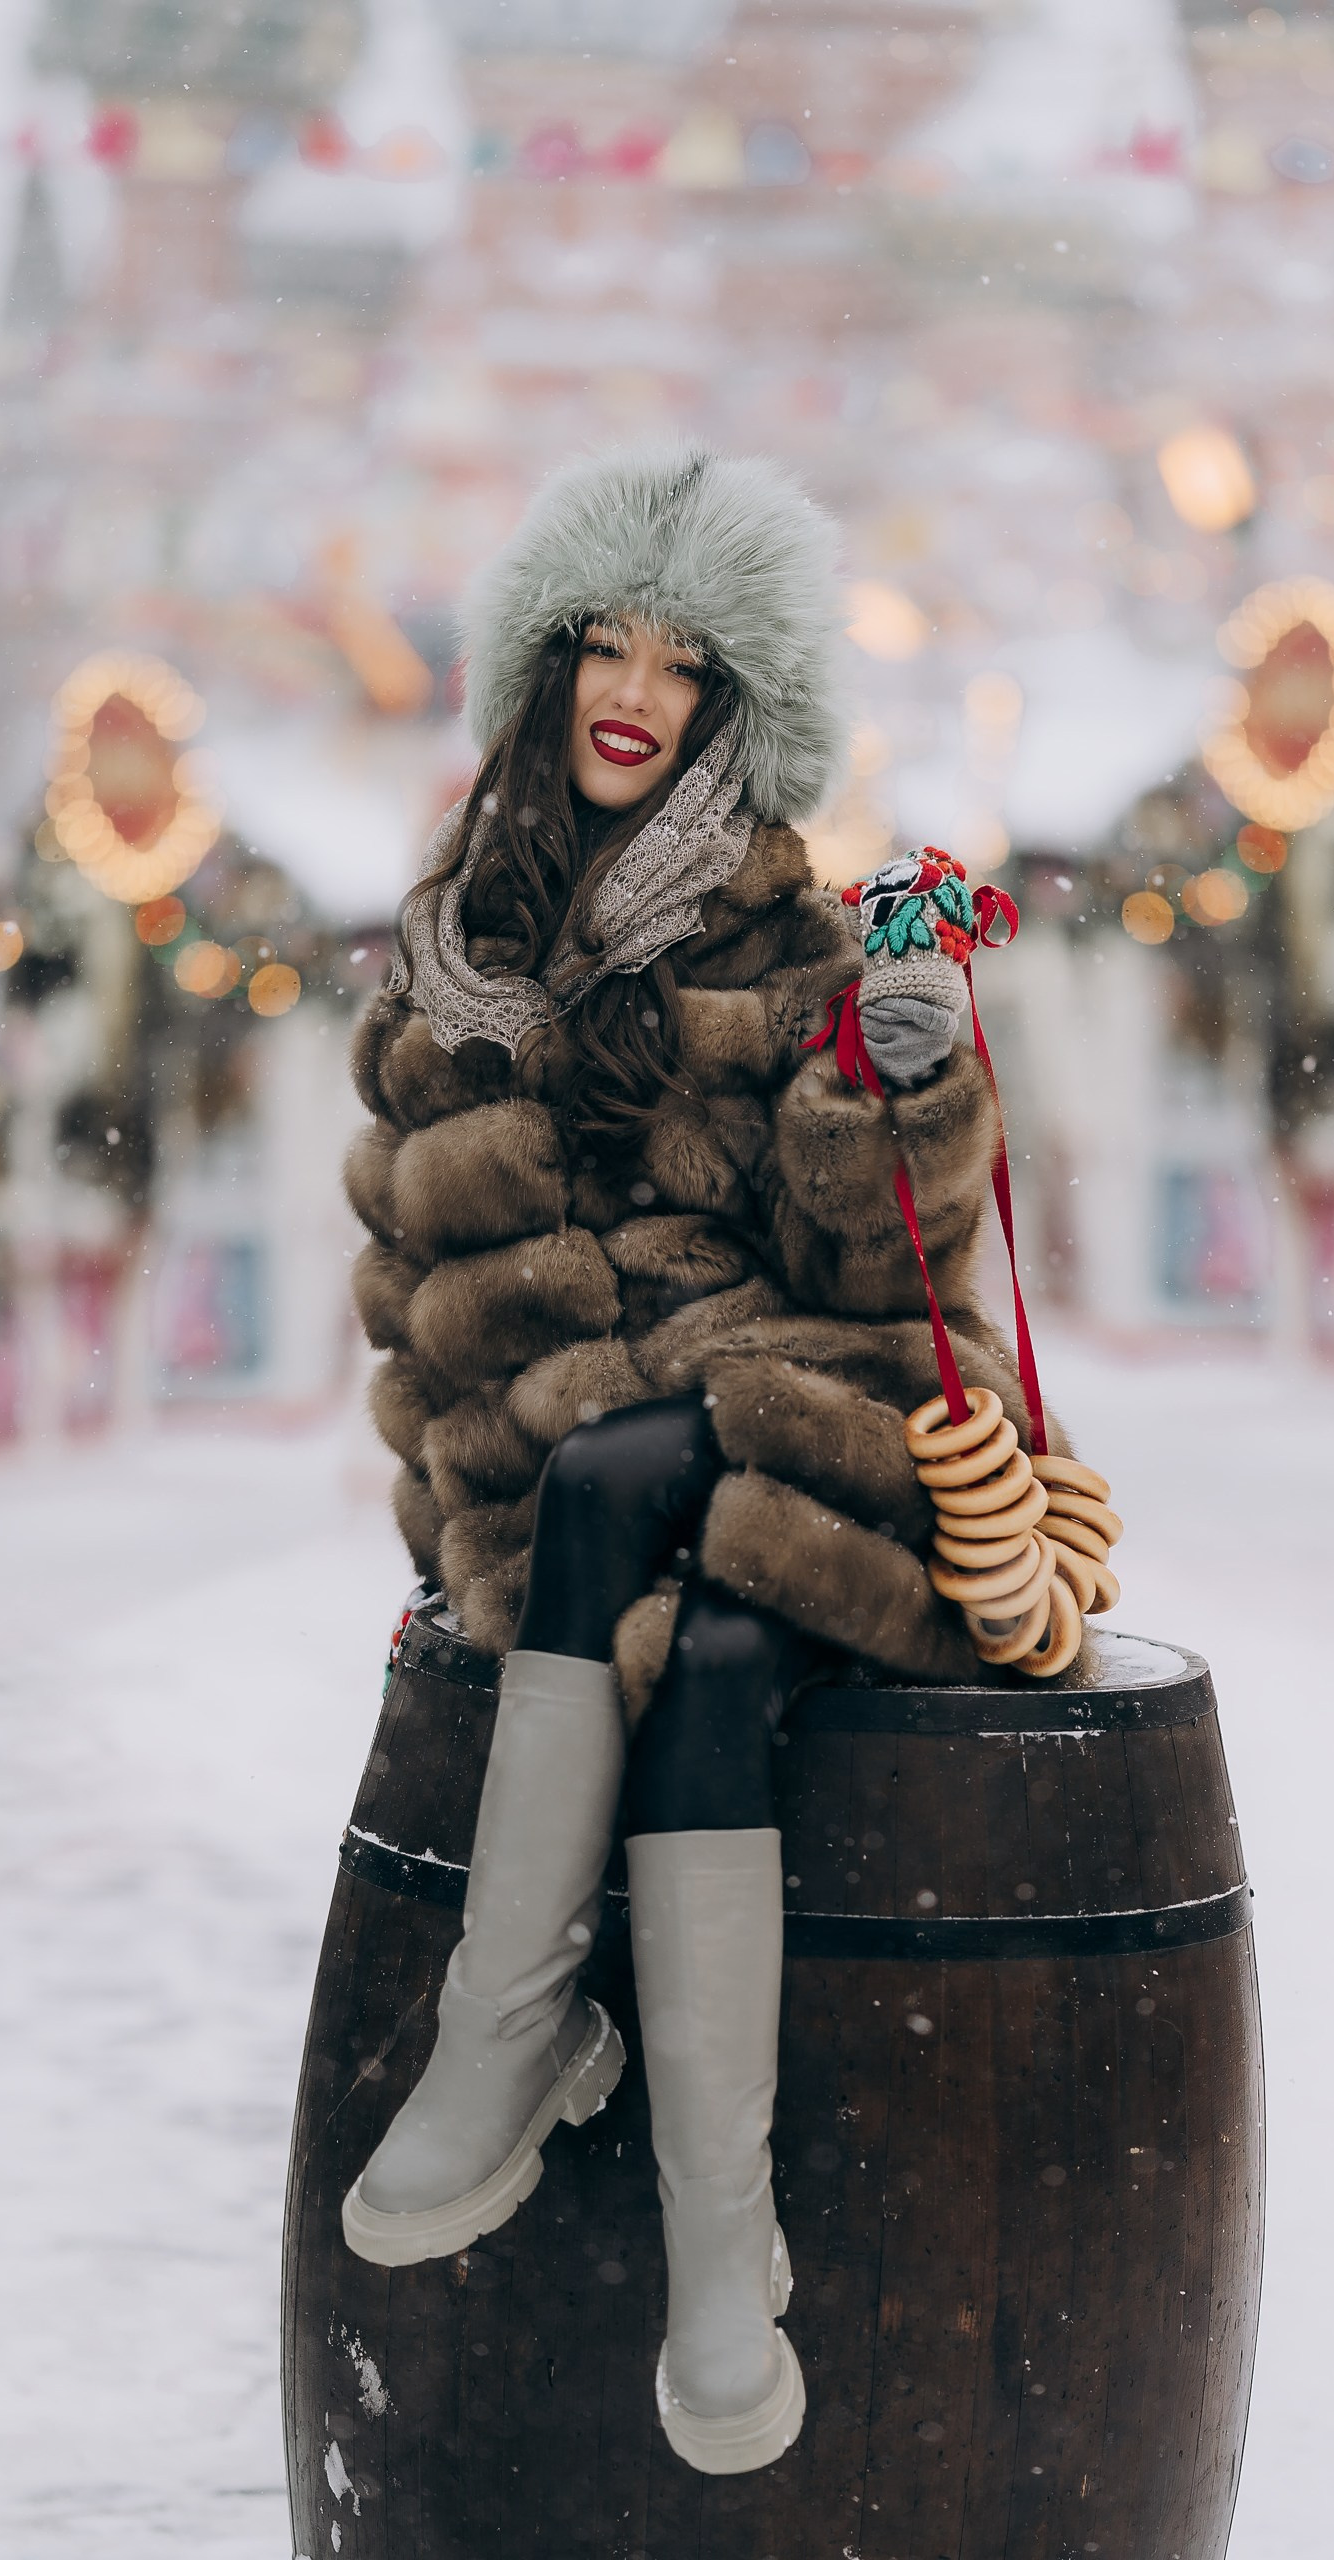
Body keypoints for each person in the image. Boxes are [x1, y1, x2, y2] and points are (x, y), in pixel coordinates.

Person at [338, 446, 1062, 2475]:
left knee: (646, 1477)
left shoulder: (797, 938)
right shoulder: (445, 957)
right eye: (601, 640)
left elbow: (882, 1271)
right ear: (547, 668)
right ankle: (716, 2250)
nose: (631, 684)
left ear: (736, 706)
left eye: (679, 654)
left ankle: (513, 2033)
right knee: (705, 1653)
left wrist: (898, 1094)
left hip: (819, 1422)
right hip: (568, 1494)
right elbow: (416, 1289)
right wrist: (465, 1477)